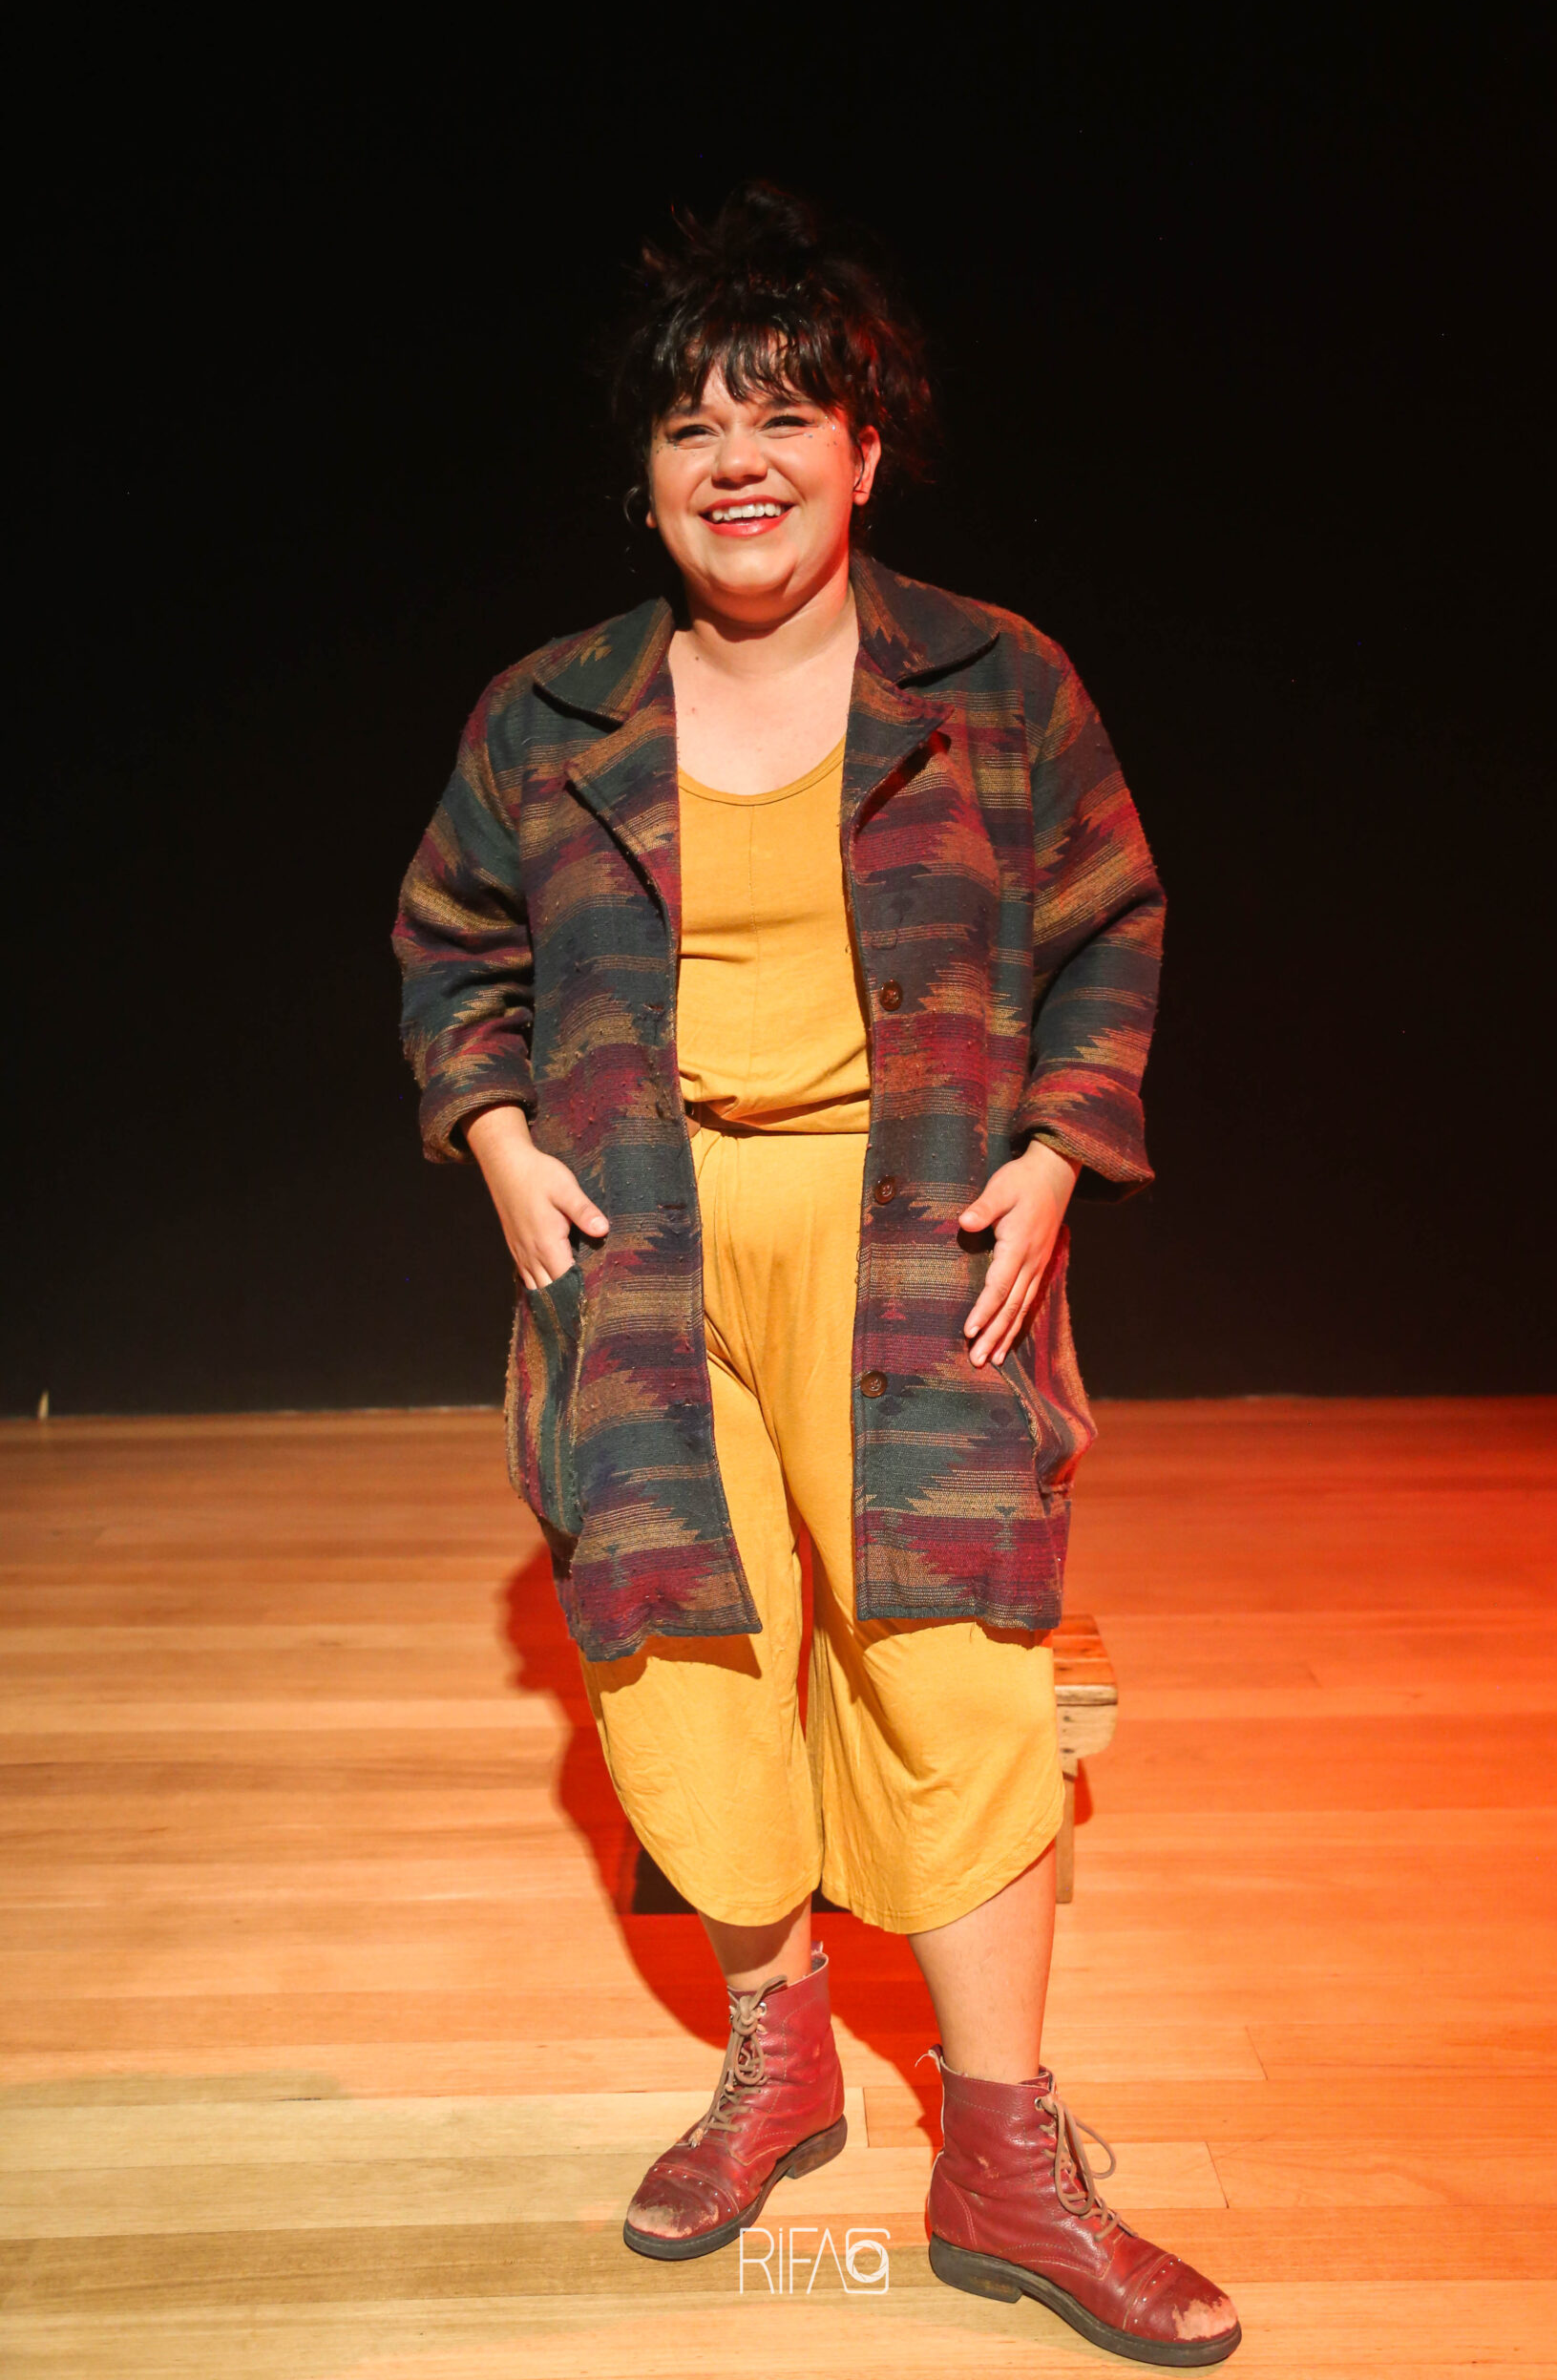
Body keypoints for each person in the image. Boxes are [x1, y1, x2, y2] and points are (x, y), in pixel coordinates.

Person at [394, 180, 1240, 2367]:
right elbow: (450, 948)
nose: (736, 457)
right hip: (643, 1255)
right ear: (644, 477)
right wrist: (498, 1137)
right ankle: (773, 2053)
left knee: (957, 1668)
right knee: (686, 1657)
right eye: (690, 424)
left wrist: (1058, 1148)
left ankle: (1002, 2152)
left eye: (783, 412)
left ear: (865, 448)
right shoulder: (549, 715)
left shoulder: (993, 683)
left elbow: (1107, 925)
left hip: (917, 1239)